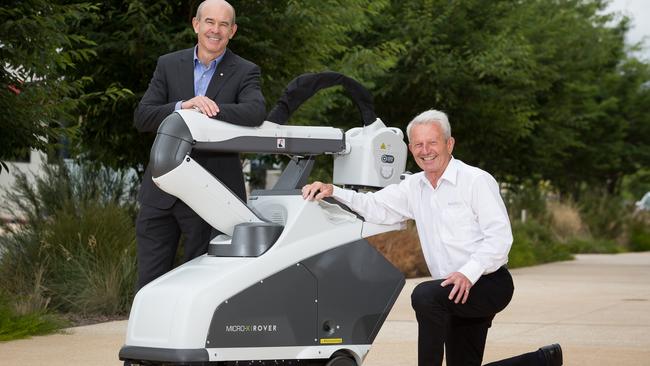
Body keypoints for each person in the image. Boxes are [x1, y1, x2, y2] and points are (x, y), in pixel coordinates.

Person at [302, 110, 563, 366]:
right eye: (418, 144)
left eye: (432, 142)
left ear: (449, 144)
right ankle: (543, 359)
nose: (425, 150)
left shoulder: (476, 181)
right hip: (450, 291)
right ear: (411, 149)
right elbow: (375, 206)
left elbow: (499, 238)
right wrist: (332, 190)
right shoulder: (414, 187)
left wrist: (466, 274)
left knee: (424, 296)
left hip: (486, 283)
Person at [133, 0, 266, 290]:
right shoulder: (168, 64)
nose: (215, 30)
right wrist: (184, 107)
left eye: (223, 24)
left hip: (210, 195)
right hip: (161, 193)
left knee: (199, 284)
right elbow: (143, 116)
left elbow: (255, 112)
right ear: (196, 24)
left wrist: (207, 110)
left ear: (233, 31)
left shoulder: (245, 71)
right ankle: (147, 335)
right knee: (149, 283)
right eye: (209, 22)